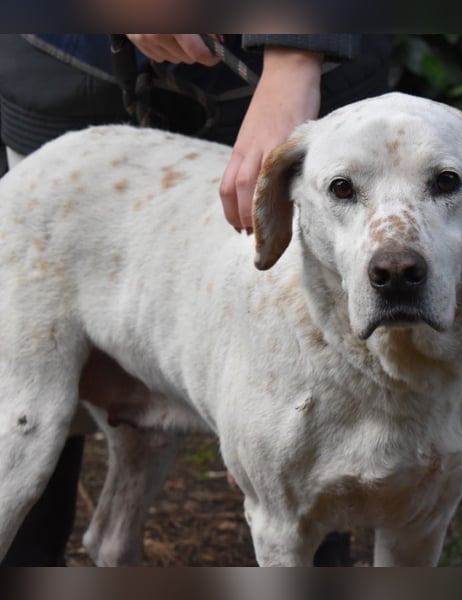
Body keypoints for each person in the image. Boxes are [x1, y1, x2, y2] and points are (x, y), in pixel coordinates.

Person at [0, 33, 391, 566]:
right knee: (26, 425)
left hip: (304, 81)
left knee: (309, 418)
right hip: (70, 63)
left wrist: (295, 53)